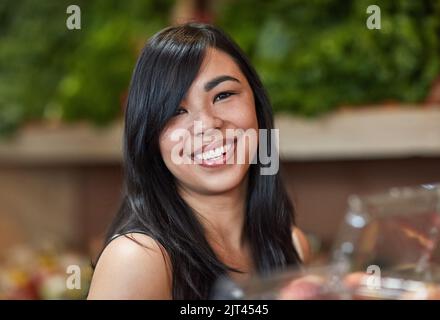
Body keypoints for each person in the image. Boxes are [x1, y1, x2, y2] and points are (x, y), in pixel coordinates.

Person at [87, 23, 310, 300]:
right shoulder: (137, 258)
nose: (206, 124)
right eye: (177, 110)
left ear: (257, 105)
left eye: (223, 95)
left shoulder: (291, 245)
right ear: (149, 138)